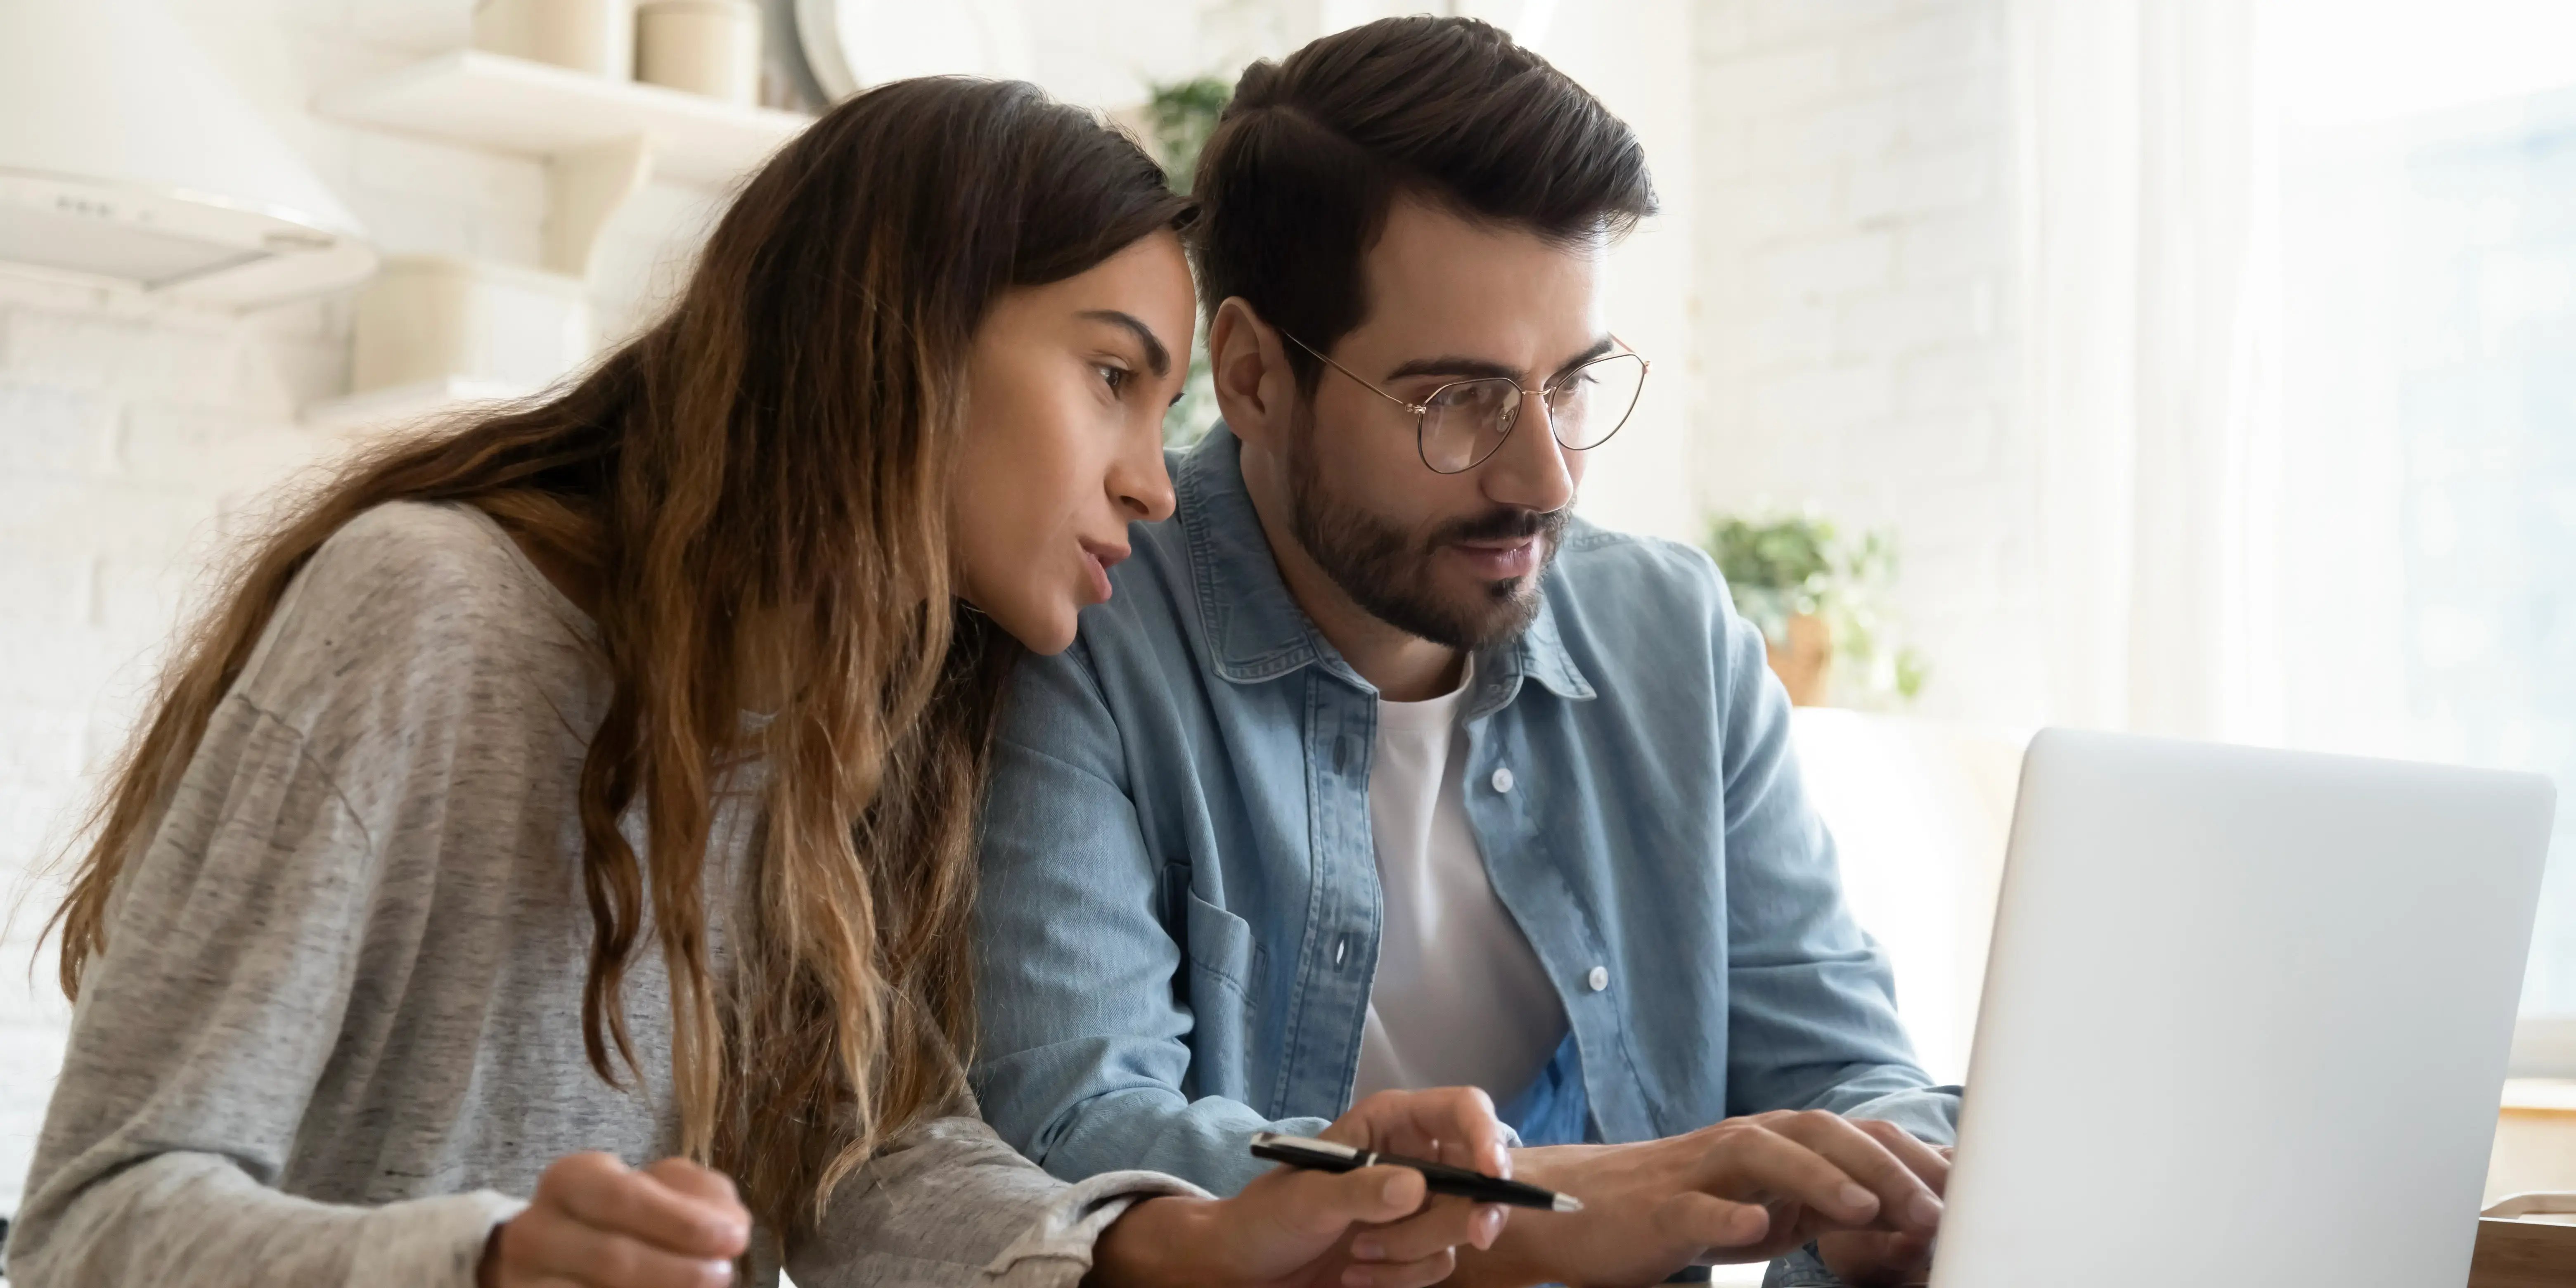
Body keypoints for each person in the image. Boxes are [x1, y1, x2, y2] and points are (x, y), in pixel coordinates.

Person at [4, 77, 1518, 1288]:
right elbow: (89, 1230)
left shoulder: (868, 726)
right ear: (901, 334)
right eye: (1111, 376)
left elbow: (865, 1163)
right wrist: (490, 1260)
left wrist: (1181, 1240)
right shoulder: (432, 614)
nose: (1156, 484)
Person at [970, 19, 1960, 1288]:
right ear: (1258, 378)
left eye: (1573, 386)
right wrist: (1552, 1207)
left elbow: (1845, 1064)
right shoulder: (1081, 627)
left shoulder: (1676, 640)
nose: (1544, 477)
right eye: (1459, 401)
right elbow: (1078, 1136)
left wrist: (1894, 1199)